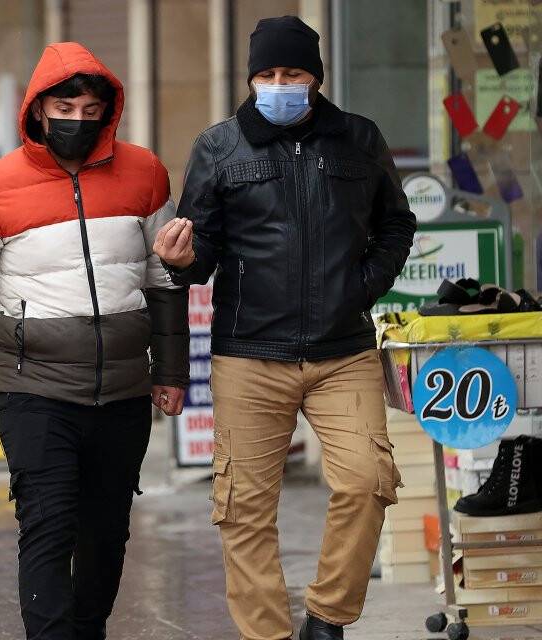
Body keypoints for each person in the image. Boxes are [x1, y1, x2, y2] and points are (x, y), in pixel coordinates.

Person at [153, 17, 416, 640]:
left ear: (315, 78)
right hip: (249, 354)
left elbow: (395, 225)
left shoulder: (359, 139)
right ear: (251, 80)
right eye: (266, 75)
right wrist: (185, 259)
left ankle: (326, 618)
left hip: (343, 350)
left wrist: (364, 286)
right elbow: (204, 247)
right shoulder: (219, 147)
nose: (279, 85)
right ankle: (268, 635)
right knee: (243, 509)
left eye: (292, 74)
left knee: (368, 480)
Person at [0, 43, 189, 639]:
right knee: (47, 521)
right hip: (33, 389)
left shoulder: (144, 173)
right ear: (39, 109)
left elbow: (163, 276)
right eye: (66, 106)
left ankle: (87, 629)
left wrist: (170, 371)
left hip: (121, 387)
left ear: (108, 110)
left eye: (92, 108)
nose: (79, 119)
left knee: (107, 528)